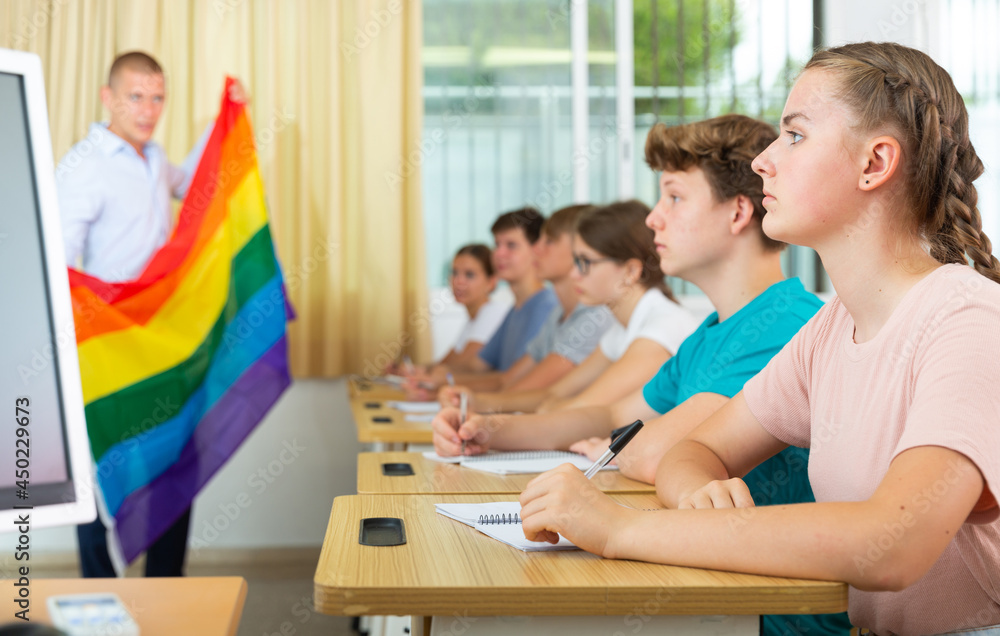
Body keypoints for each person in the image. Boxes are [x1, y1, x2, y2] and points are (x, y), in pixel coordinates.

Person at [519, 42, 1000, 635]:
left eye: (794, 136)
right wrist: (702, 495)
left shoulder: (967, 318)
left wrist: (619, 528)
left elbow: (891, 545)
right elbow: (694, 452)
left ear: (874, 164)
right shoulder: (829, 329)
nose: (765, 161)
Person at [434, 113, 851, 636]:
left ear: (739, 211)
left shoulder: (784, 324)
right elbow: (613, 415)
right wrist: (490, 432)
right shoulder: (708, 332)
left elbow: (652, 452)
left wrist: (620, 445)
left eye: (674, 198)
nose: (654, 219)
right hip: (709, 582)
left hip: (768, 609)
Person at [56, 51, 247, 577]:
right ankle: (104, 595)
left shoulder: (155, 157)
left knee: (172, 462)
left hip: (161, 345)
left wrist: (224, 121)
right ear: (108, 98)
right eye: (136, 96)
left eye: (157, 97)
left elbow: (193, 183)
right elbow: (60, 263)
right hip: (107, 348)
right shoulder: (83, 166)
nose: (147, 109)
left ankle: (168, 590)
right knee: (104, 469)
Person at [439, 200, 699, 415]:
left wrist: (485, 422)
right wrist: (477, 403)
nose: (575, 274)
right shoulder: (619, 330)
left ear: (630, 270)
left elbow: (584, 410)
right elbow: (555, 394)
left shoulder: (659, 328)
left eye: (584, 262)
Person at [421, 204, 613, 396]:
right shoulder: (549, 313)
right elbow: (501, 377)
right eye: (497, 245)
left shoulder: (559, 308)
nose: (498, 254)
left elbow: (534, 389)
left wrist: (447, 389)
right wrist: (441, 385)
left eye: (511, 245)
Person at [436, 244, 509, 369]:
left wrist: (422, 374)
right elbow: (445, 363)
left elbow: (462, 367)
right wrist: (411, 370)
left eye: (469, 275)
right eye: (454, 272)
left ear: (491, 282)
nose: (458, 281)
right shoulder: (472, 320)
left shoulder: (493, 313)